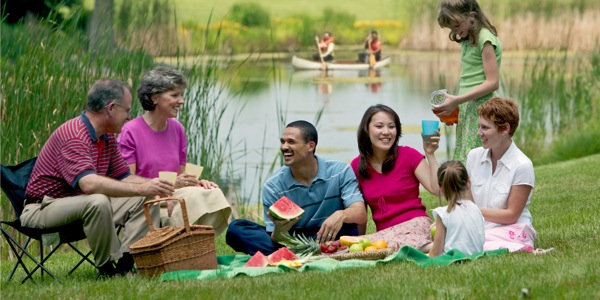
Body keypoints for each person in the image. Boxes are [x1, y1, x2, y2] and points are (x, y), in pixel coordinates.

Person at [21, 79, 175, 278]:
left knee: (147, 197)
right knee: (98, 199)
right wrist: (141, 188)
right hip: (43, 208)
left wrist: (155, 187)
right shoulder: (74, 134)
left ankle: (126, 264)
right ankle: (107, 270)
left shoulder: (106, 136)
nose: (129, 117)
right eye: (127, 110)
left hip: (84, 207)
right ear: (111, 108)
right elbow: (89, 184)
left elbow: (124, 176)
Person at [117, 66, 231, 236]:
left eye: (181, 95)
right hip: (147, 200)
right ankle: (180, 241)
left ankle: (191, 243)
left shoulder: (178, 129)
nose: (181, 100)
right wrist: (167, 186)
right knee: (191, 200)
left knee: (212, 192)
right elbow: (127, 180)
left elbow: (181, 177)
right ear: (155, 97)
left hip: (174, 195)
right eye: (174, 95)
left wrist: (198, 183)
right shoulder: (130, 131)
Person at [226, 120, 367, 255]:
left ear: (310, 146)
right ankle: (310, 252)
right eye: (282, 142)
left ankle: (289, 254)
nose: (284, 147)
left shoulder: (340, 171)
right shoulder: (273, 186)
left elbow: (360, 214)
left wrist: (341, 214)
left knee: (349, 228)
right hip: (292, 239)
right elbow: (276, 238)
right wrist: (280, 229)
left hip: (330, 233)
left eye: (291, 142)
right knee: (236, 229)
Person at [350, 104, 440, 252]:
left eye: (391, 126)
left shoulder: (409, 155)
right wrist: (360, 243)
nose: (386, 132)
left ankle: (437, 247)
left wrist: (430, 153)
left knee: (391, 245)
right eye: (379, 126)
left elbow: (437, 189)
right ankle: (431, 247)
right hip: (385, 234)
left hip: (415, 225)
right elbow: (361, 212)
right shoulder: (357, 166)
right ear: (366, 129)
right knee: (365, 244)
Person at [432, 0, 502, 163]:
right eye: (451, 28)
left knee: (477, 160)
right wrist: (455, 107)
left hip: (483, 108)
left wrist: (457, 100)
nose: (454, 31)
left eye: (456, 26)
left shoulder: (485, 39)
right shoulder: (468, 39)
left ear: (471, 16)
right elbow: (471, 80)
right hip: (468, 107)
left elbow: (493, 82)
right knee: (466, 157)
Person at [466, 97, 536, 252]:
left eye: (485, 128)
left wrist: (471, 211)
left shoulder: (522, 165)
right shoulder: (474, 156)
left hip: (510, 230)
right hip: (480, 228)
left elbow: (511, 215)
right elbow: (467, 201)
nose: (479, 133)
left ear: (505, 129)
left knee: (469, 244)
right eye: (479, 126)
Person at [430, 160, 485, 257]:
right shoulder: (476, 209)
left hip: (453, 259)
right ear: (468, 183)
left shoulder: (443, 214)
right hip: (476, 255)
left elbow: (435, 253)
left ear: (441, 188)